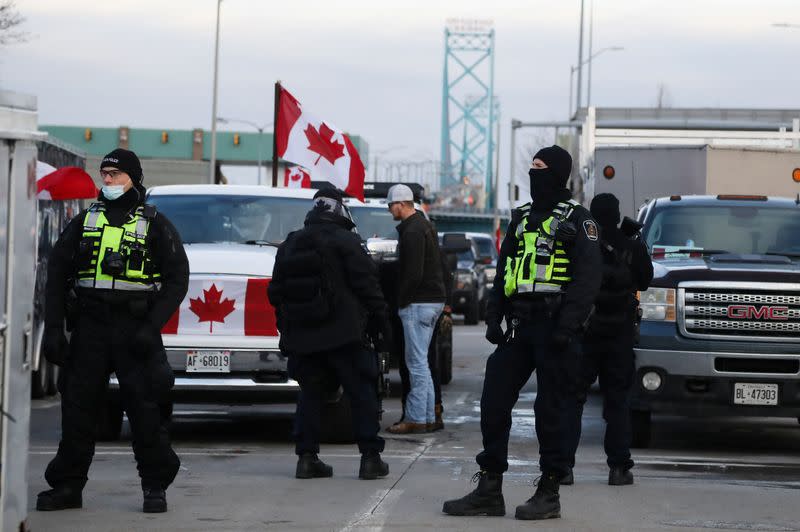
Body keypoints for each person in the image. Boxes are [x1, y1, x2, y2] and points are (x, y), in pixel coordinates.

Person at [442, 145, 602, 521]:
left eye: (540, 167)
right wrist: (494, 316)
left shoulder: (579, 220)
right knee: (494, 402)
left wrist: (567, 327)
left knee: (553, 411)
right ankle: (489, 488)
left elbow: (588, 279)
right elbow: (505, 269)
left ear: (558, 173)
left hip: (556, 327)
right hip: (519, 326)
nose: (533, 174)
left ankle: (549, 492)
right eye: (530, 167)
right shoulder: (521, 218)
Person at [37, 149, 189, 513]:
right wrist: (55, 329)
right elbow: (56, 274)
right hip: (90, 327)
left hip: (136, 329)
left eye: (115, 175)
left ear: (133, 178)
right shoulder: (85, 221)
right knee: (77, 409)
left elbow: (176, 280)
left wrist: (151, 327)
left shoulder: (156, 224)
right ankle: (68, 487)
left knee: (146, 410)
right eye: (104, 174)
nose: (108, 181)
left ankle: (155, 486)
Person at [267, 187, 391, 480]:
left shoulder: (291, 244)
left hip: (304, 336)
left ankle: (307, 458)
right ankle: (370, 458)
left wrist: (288, 331)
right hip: (345, 335)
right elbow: (367, 286)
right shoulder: (347, 241)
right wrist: (382, 323)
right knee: (362, 394)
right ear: (339, 209)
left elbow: (277, 293)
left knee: (310, 395)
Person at [563, 193, 653, 486]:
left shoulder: (582, 241)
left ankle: (563, 466)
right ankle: (618, 467)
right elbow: (645, 280)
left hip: (586, 331)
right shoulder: (632, 244)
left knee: (573, 399)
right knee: (618, 402)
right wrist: (635, 246)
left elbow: (569, 278)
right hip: (620, 334)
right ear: (616, 214)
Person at [385, 184, 446, 435]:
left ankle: (415, 418)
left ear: (400, 203)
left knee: (415, 364)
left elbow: (413, 272)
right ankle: (429, 416)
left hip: (418, 303)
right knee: (422, 362)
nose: (390, 210)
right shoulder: (425, 226)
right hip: (433, 301)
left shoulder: (411, 231)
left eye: (391, 205)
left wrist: (402, 301)